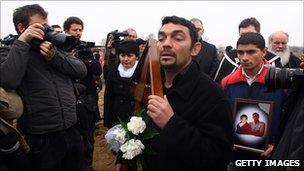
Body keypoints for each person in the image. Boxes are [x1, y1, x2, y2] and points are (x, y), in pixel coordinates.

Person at [0, 4, 87, 171]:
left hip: (71, 130)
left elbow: (81, 70)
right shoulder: (10, 51)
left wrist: (54, 56)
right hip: (41, 138)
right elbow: (8, 80)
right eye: (39, 27)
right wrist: (23, 42)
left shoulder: (51, 48)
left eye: (46, 26)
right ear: (21, 27)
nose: (45, 31)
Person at [144, 15, 233, 171]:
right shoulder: (151, 82)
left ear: (195, 49)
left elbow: (218, 157)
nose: (166, 44)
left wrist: (171, 123)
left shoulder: (213, 95)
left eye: (177, 38)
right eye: (161, 38)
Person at [221, 32, 285, 170]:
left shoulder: (281, 82)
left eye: (251, 52)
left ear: (264, 52)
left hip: (269, 157)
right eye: (240, 52)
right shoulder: (227, 82)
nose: (244, 58)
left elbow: (287, 118)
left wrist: (277, 144)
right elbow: (222, 117)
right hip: (236, 157)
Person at [63, 16, 102, 170]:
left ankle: (88, 165)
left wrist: (84, 62)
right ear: (67, 31)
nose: (78, 33)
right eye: (75, 30)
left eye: (80, 30)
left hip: (87, 102)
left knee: (89, 137)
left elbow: (97, 70)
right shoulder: (59, 48)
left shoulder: (85, 49)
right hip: (68, 101)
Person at [214, 17, 280, 83]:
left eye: (251, 34)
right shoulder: (229, 58)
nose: (246, 38)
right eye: (242, 35)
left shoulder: (273, 60)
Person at [103, 39, 138, 128]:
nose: (126, 59)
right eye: (122, 55)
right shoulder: (114, 71)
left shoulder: (142, 72)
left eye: (130, 56)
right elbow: (108, 97)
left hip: (136, 118)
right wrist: (108, 121)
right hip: (117, 115)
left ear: (136, 56)